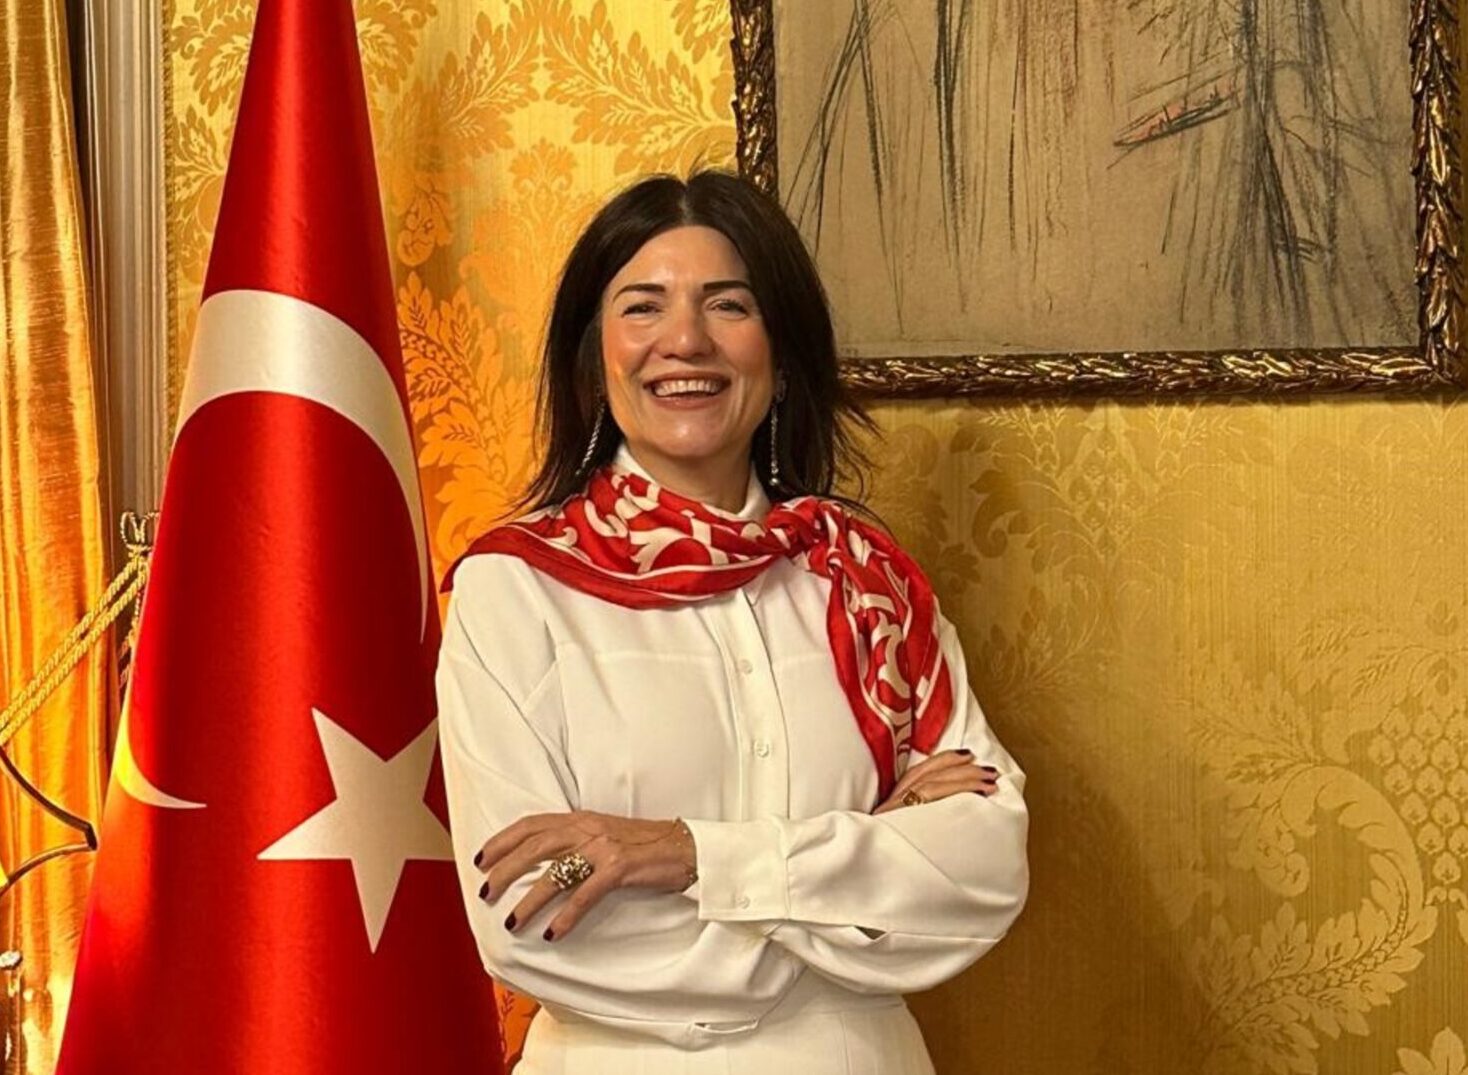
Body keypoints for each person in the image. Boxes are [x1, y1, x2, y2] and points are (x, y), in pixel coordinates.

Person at [436, 170, 1029, 1074]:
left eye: (728, 305)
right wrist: (869, 859)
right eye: (643, 306)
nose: (685, 340)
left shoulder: (867, 581)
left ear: (782, 355)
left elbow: (984, 868)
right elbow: (531, 919)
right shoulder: (515, 589)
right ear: (594, 360)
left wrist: (684, 855)